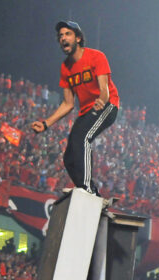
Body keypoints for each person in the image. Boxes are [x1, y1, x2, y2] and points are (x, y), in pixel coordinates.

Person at [31, 20, 120, 194]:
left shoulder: (96, 56)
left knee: (82, 138)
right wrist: (46, 123)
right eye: (61, 36)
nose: (63, 38)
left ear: (78, 38)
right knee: (69, 158)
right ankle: (91, 192)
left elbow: (104, 90)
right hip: (86, 111)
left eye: (67, 34)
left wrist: (101, 101)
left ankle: (86, 189)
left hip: (108, 105)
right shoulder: (65, 68)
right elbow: (68, 103)